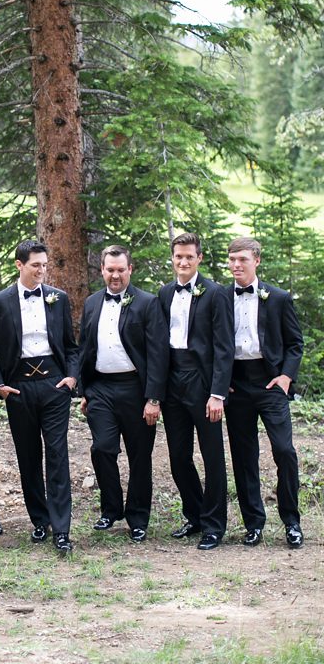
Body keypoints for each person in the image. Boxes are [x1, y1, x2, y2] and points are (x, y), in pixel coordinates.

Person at [0, 239, 78, 554]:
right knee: (28, 456)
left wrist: (71, 378)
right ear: (19, 264)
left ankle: (62, 530)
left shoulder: (58, 298)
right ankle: (40, 520)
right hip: (19, 388)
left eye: (44, 265)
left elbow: (70, 346)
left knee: (57, 454)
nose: (41, 271)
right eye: (35, 265)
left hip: (54, 386)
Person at [78, 245, 168, 543]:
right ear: (101, 270)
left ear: (130, 269)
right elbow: (85, 349)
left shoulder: (147, 303)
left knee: (139, 456)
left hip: (136, 389)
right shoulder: (91, 303)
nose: (115, 275)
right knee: (102, 448)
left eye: (120, 269)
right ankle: (111, 508)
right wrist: (84, 390)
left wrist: (153, 398)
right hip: (100, 389)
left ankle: (138, 517)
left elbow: (157, 354)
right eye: (109, 269)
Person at [224, 237, 304, 549]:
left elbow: (295, 343)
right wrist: (220, 382)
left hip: (270, 382)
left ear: (257, 260)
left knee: (284, 450)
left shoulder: (279, 297)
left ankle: (292, 522)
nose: (236, 265)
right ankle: (253, 524)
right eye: (232, 260)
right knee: (244, 457)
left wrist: (285, 376)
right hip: (236, 384)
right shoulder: (219, 297)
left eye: (242, 259)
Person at [156, 232, 233, 551]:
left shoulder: (215, 293)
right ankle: (195, 514)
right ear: (172, 259)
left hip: (202, 383)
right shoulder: (163, 293)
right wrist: (156, 392)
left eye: (189, 256)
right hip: (173, 380)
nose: (183, 262)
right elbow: (158, 345)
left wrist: (217, 393)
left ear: (199, 258)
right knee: (178, 456)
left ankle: (214, 525)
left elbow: (224, 347)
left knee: (213, 455)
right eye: (178, 257)